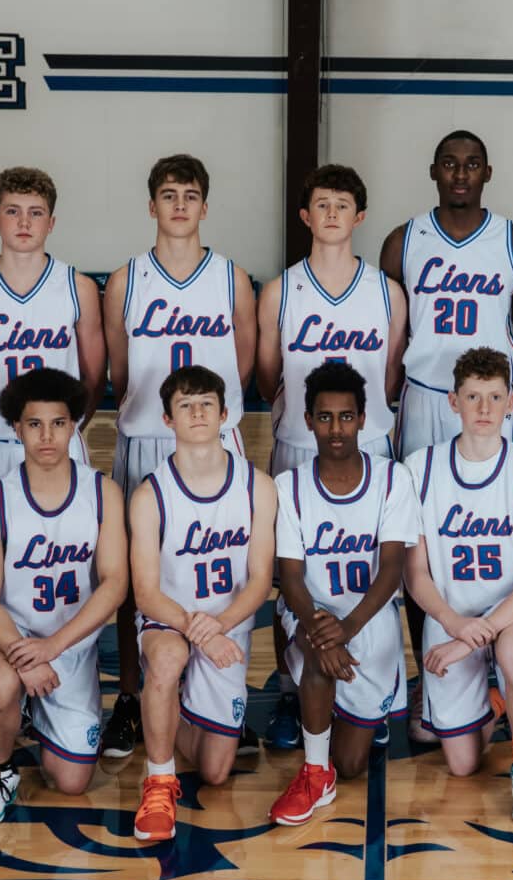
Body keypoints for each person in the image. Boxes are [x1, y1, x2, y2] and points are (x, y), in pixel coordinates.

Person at [378, 129, 513, 744]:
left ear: (487, 172)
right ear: (434, 171)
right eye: (449, 163)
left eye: (472, 164)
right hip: (426, 396)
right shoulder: (402, 242)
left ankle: (505, 666)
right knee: (424, 541)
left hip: (489, 401)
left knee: (501, 532)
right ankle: (433, 675)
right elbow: (395, 330)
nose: (461, 173)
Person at [101, 155, 258, 762]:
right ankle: (132, 695)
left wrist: (205, 419)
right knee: (131, 576)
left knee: (225, 561)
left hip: (212, 437)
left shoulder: (231, 278)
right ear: (152, 205)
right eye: (168, 195)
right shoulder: (125, 280)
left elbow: (244, 361)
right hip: (146, 433)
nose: (180, 205)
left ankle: (220, 694)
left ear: (205, 206)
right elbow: (120, 368)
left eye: (190, 195)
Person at [257, 164, 406, 749]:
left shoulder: (386, 292)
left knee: (373, 567)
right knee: (291, 575)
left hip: (368, 444)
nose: (332, 214)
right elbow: (268, 374)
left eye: (343, 205)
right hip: (299, 442)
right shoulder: (281, 290)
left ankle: (375, 689)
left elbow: (388, 377)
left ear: (359, 216)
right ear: (305, 216)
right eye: (321, 204)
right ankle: (292, 690)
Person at [403, 347, 513, 827]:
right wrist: (454, 625)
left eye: (495, 397)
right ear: (453, 402)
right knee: (462, 764)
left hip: (512, 614)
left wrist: (475, 636)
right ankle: (500, 701)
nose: (484, 408)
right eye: (472, 396)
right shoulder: (419, 468)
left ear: (511, 403)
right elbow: (415, 574)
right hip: (450, 614)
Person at [0, 369, 128, 827]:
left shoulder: (103, 493)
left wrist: (52, 648)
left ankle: (30, 712)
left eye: (58, 423)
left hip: (67, 643)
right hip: (6, 637)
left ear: (75, 425)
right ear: (17, 429)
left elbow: (115, 583)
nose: (47, 436)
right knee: (0, 686)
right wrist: (25, 657)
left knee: (71, 781)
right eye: (34, 424)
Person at [127, 365, 278, 842]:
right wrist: (199, 633)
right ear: (167, 420)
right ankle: (159, 782)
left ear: (225, 414)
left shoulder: (258, 486)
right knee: (167, 660)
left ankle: (169, 710)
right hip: (168, 620)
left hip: (227, 623)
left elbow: (261, 580)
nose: (197, 413)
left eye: (206, 404)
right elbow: (146, 593)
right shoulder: (150, 494)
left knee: (215, 772)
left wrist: (218, 628)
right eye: (185, 406)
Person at [268, 363, 418, 826]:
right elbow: (290, 577)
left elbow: (391, 571)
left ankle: (333, 724)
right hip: (310, 613)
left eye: (346, 417)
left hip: (367, 617)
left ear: (363, 419)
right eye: (325, 417)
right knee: (315, 652)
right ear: (309, 421)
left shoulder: (393, 479)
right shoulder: (288, 486)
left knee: (352, 764)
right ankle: (315, 773)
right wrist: (321, 631)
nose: (336, 429)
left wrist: (346, 629)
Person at [0, 166, 106, 496]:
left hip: (59, 448)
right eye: (12, 211)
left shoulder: (79, 288)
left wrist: (63, 428)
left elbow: (92, 379)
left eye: (36, 212)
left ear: (51, 222)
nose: (24, 223)